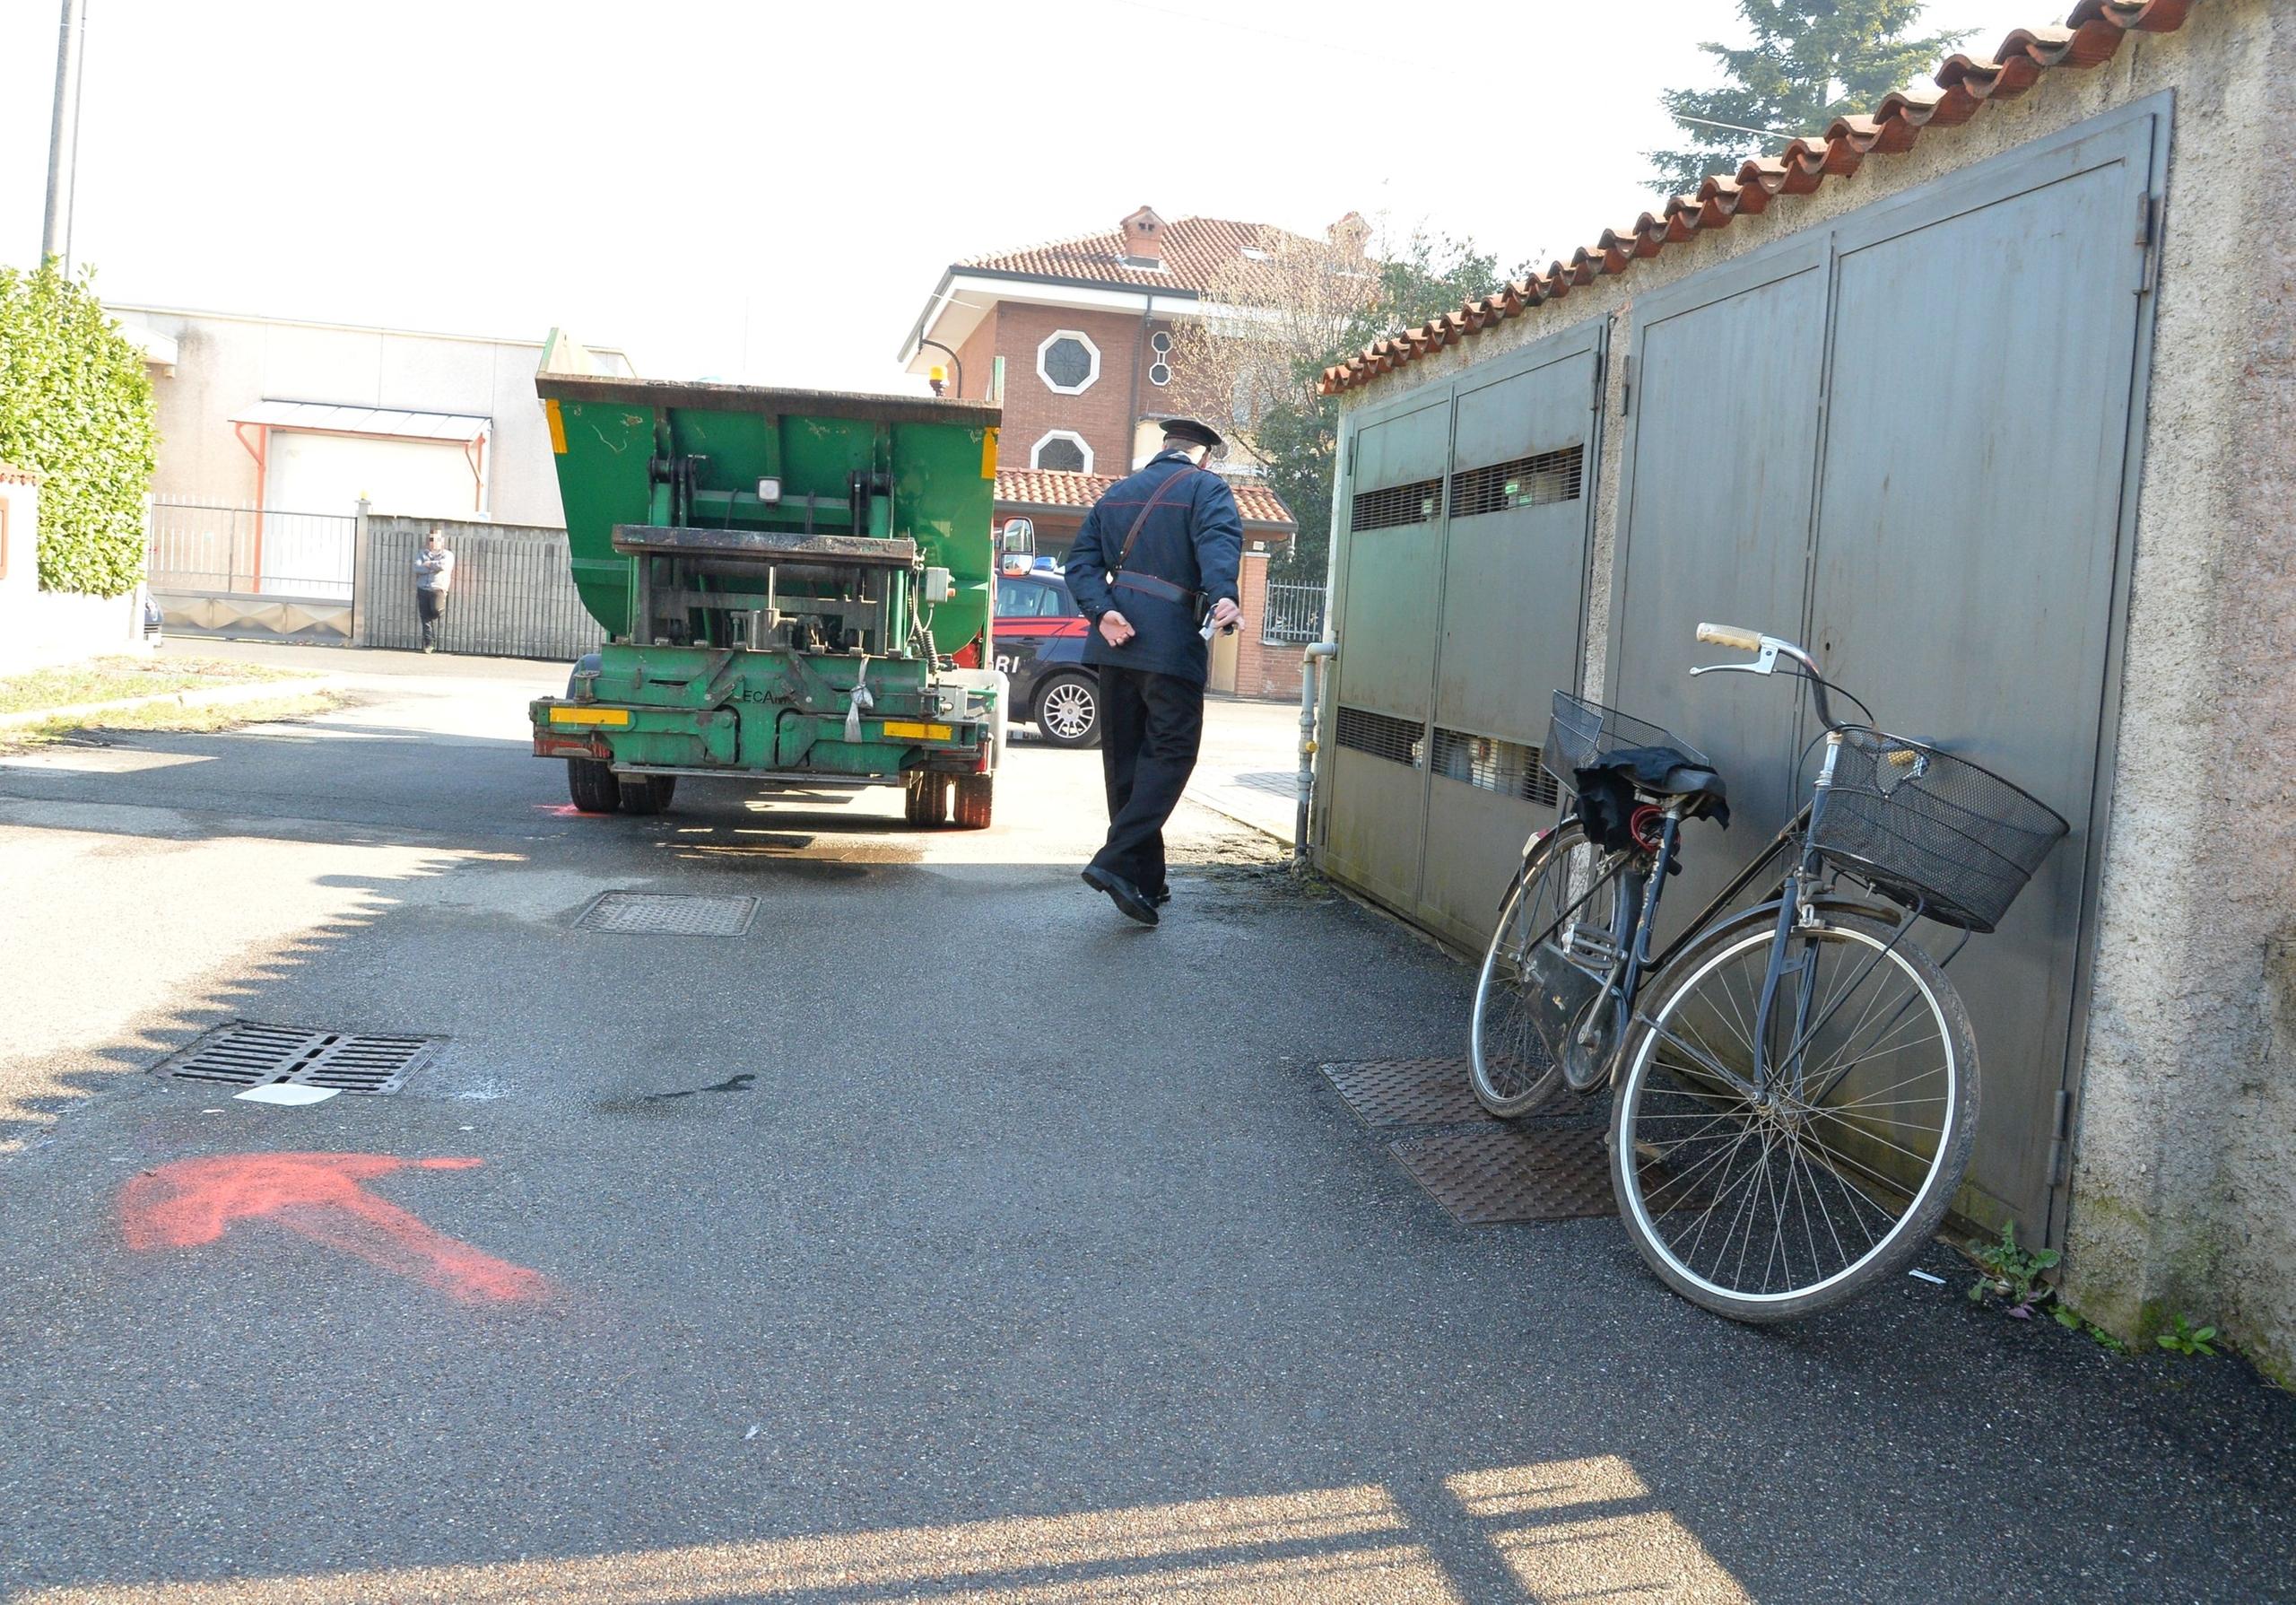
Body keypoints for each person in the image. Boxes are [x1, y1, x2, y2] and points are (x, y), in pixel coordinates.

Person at [1064, 418, 1244, 927]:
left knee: (1126, 760)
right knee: (1170, 754)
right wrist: (1225, 593)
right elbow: (1217, 542)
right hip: (1170, 646)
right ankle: (1115, 861)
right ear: (1204, 456)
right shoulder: (1207, 488)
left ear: (1164, 449)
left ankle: (1146, 879)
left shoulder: (1116, 494)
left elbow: (1079, 564)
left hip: (1115, 643)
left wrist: (1103, 611)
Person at [413, 527, 455, 652]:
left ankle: (430, 639)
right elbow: (417, 568)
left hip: (438, 588)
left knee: (435, 611)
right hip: (422, 588)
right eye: (431, 539)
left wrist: (429, 564)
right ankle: (429, 644)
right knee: (425, 618)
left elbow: (443, 566)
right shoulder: (422, 553)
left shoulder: (447, 555)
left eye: (437, 539)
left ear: (442, 541)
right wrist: (433, 567)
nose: (434, 542)